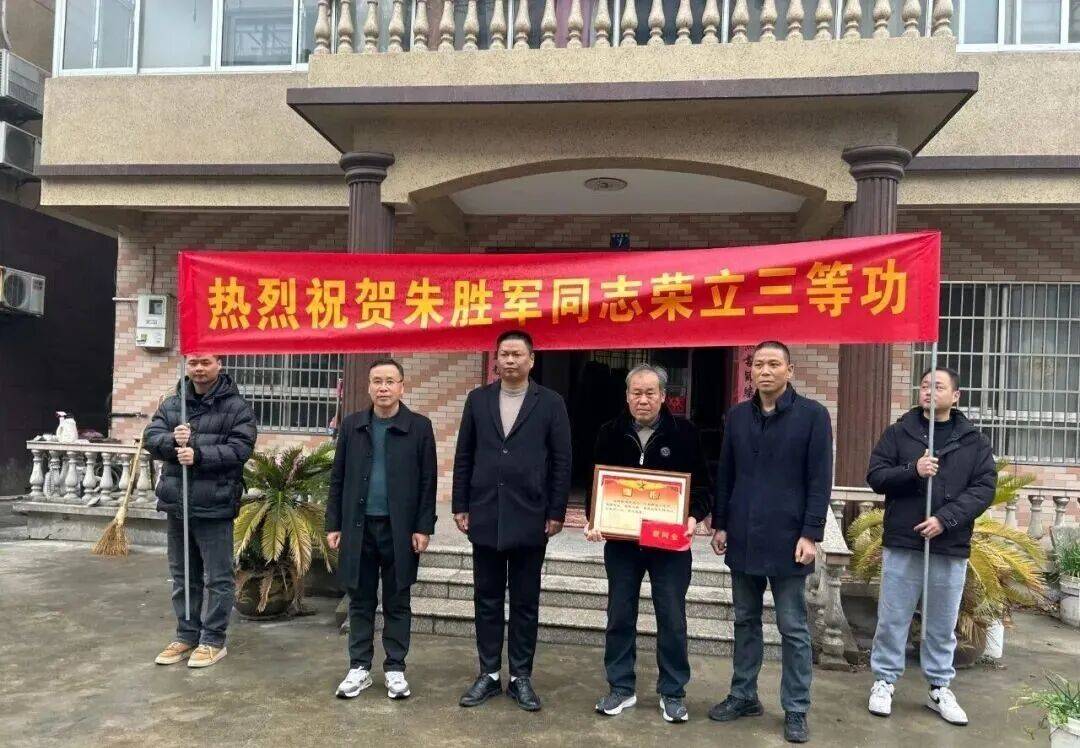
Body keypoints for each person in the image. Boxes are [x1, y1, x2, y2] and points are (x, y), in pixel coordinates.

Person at [709, 341, 831, 744]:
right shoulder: (738, 416)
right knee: (745, 620)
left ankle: (796, 707)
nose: (765, 370)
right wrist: (721, 524)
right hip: (743, 534)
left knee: (792, 627)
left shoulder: (812, 416)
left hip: (789, 538)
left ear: (789, 371)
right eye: (758, 364)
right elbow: (726, 472)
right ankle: (743, 694)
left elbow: (819, 479)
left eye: (774, 364)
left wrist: (811, 533)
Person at [865, 366, 996, 726]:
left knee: (941, 621)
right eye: (924, 385)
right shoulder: (899, 433)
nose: (929, 391)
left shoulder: (974, 442)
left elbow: (983, 489)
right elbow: (876, 476)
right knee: (893, 617)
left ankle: (939, 686)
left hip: (948, 543)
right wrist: (914, 469)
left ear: (955, 396)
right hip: (904, 540)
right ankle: (884, 680)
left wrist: (945, 519)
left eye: (938, 386)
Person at [585, 363, 713, 724]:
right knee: (619, 615)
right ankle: (620, 687)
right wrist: (596, 520)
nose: (643, 400)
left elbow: (703, 486)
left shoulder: (685, 433)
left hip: (669, 546)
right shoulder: (609, 432)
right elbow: (596, 484)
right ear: (627, 396)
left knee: (672, 617)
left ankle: (673, 692)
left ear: (663, 396)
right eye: (636, 393)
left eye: (650, 393)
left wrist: (693, 517)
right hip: (623, 546)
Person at [452, 330, 572, 712]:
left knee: (524, 601)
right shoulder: (478, 400)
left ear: (531, 360)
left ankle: (521, 676)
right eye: (504, 354)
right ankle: (488, 674)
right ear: (496, 359)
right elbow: (464, 454)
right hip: (486, 512)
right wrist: (460, 504)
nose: (510, 360)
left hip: (530, 516)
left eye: (517, 354)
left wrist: (556, 511)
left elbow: (562, 460)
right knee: (486, 598)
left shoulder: (550, 403)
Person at [326, 358, 438, 700]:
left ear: (402, 386)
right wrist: (333, 523)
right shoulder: (353, 425)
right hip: (358, 527)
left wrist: (423, 527)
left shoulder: (419, 427)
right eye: (377, 381)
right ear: (369, 386)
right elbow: (338, 477)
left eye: (390, 381)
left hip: (399, 529)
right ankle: (359, 667)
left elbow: (428, 481)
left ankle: (395, 668)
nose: (383, 388)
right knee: (359, 599)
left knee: (397, 599)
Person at [145, 353, 257, 669]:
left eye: (205, 362)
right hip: (177, 503)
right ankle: (186, 635)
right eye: (193, 363)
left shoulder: (236, 407)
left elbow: (241, 449)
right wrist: (171, 439)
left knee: (218, 577)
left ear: (219, 364)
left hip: (215, 503)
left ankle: (213, 639)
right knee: (183, 575)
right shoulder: (173, 404)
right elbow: (150, 439)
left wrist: (199, 454)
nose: (198, 369)